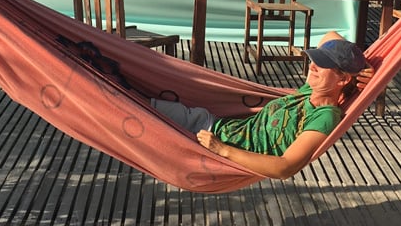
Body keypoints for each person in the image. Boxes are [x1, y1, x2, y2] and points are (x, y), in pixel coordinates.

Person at [152, 32, 369, 179]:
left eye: (323, 64)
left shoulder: (324, 116)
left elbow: (285, 167)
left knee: (146, 119)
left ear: (342, 80)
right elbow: (330, 34)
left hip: (211, 146)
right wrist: (365, 66)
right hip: (210, 124)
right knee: (142, 105)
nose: (312, 66)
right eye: (315, 59)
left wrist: (222, 149)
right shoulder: (310, 90)